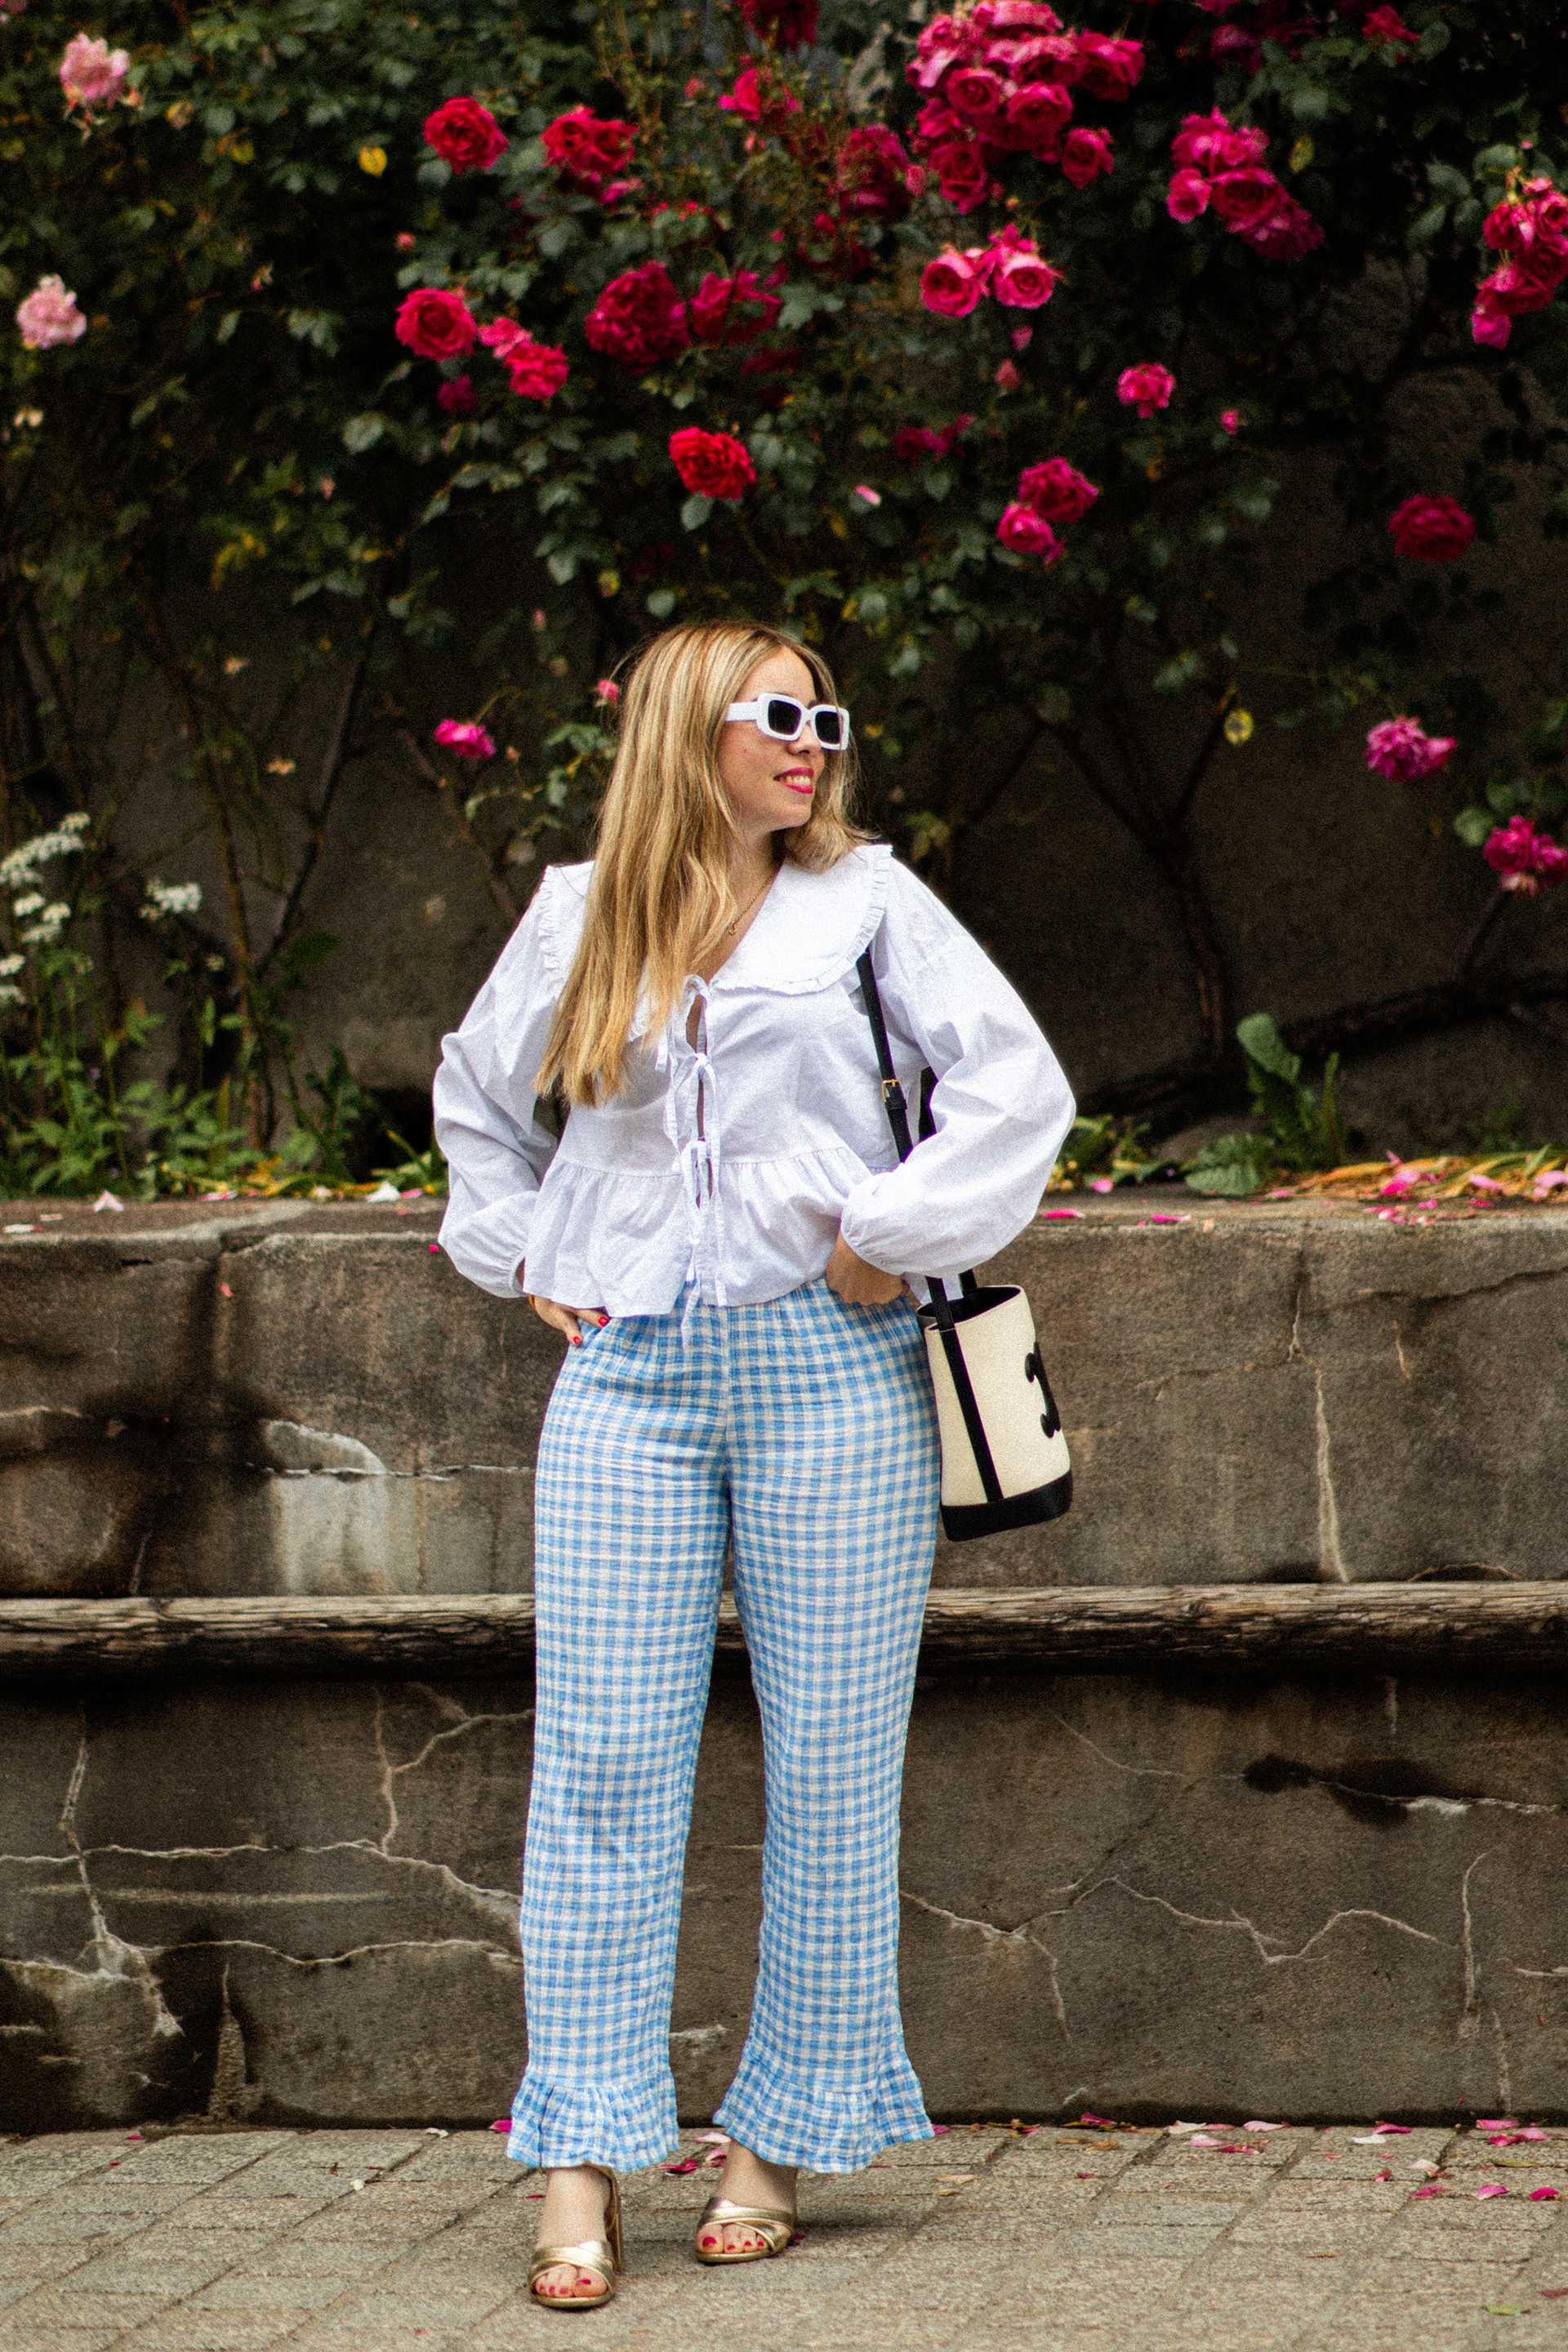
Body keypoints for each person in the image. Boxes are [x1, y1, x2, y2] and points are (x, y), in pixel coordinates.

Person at [434, 619, 1073, 2310]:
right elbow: (476, 1100)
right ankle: (581, 2156)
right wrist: (524, 1246)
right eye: (778, 713)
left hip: (835, 1376)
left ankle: (779, 2137)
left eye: (826, 716)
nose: (813, 741)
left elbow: (1016, 1089)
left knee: (834, 1769)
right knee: (601, 1768)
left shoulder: (867, 904)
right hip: (630, 1378)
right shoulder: (582, 912)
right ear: (685, 728)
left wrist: (893, 1228)